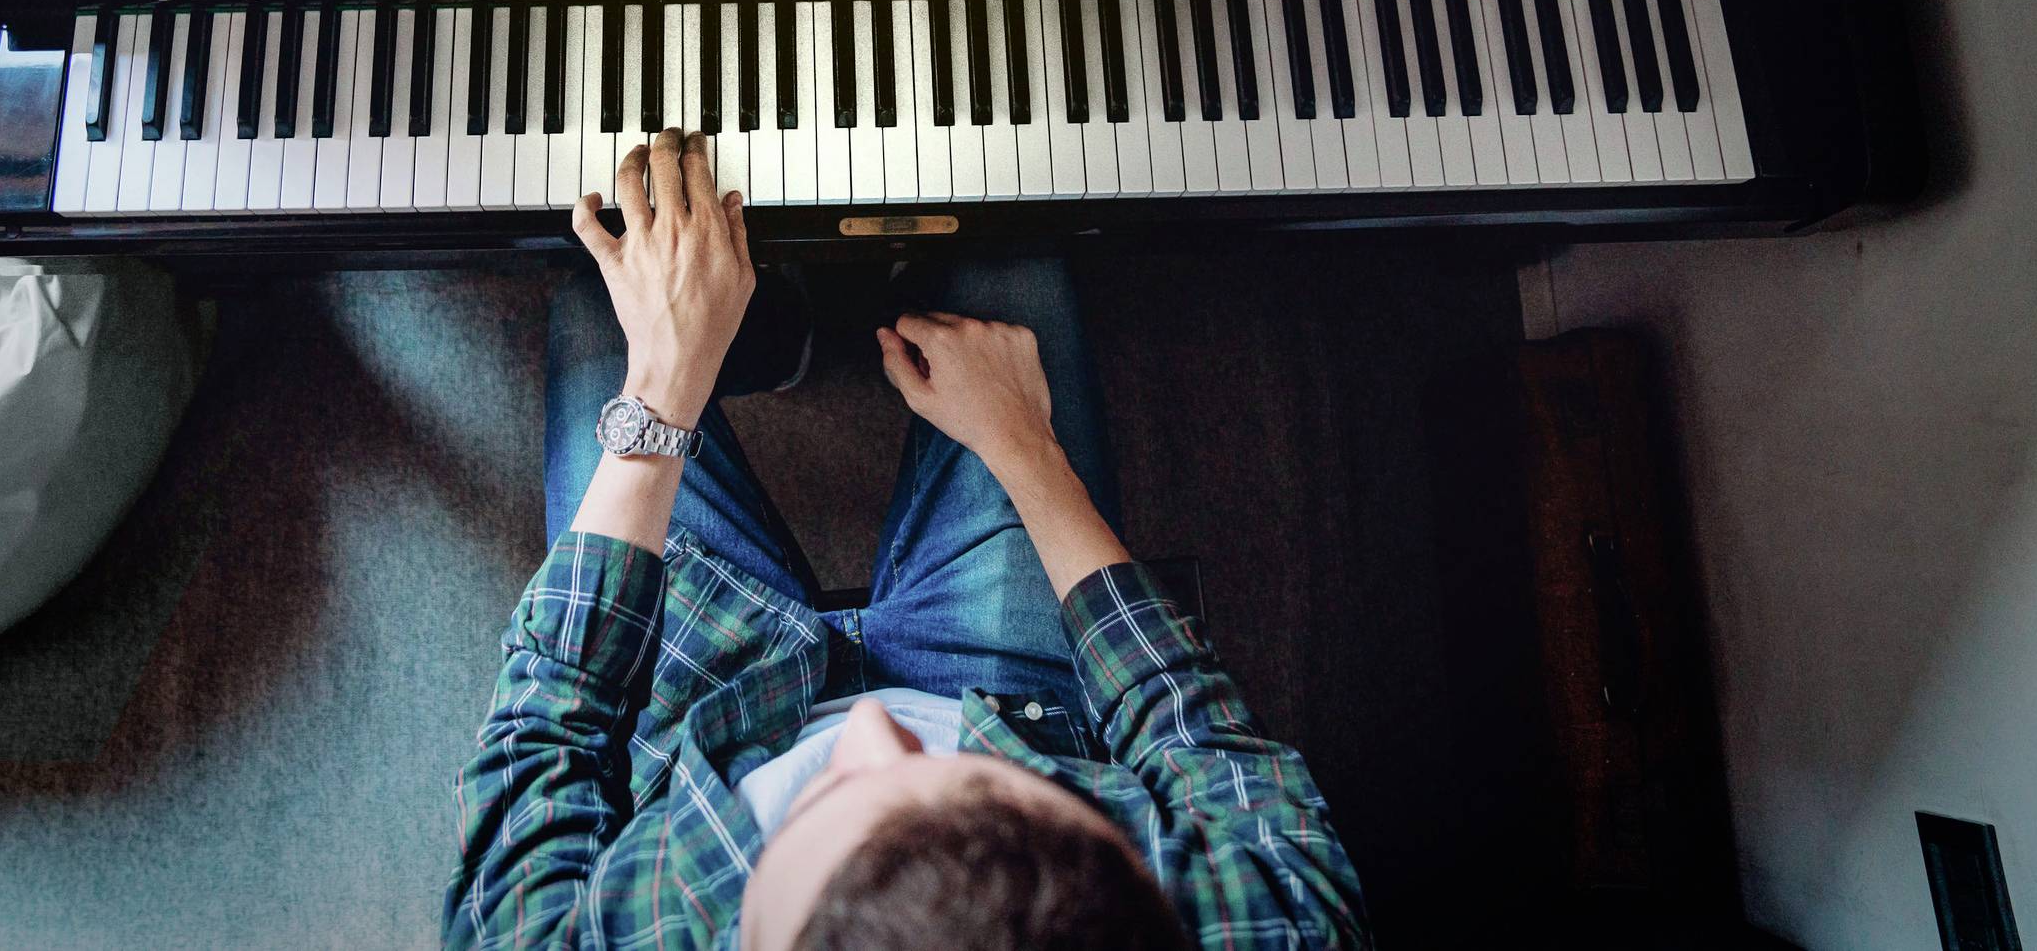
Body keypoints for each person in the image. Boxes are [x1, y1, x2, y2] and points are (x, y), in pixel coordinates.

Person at [446, 131, 1368, 951]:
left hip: (699, 721)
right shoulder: (1271, 926)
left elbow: (546, 729)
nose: (874, 728)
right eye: (994, 800)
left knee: (596, 303)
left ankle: (760, 340)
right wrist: (1024, 446)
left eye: (831, 796)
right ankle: (798, 311)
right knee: (1013, 245)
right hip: (1016, 705)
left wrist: (664, 379)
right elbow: (1186, 725)